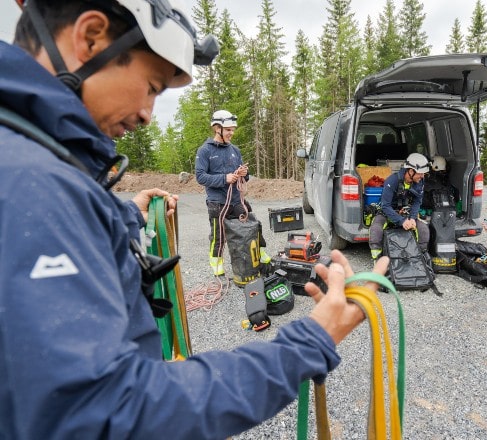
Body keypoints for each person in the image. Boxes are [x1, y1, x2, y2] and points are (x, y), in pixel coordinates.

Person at [0, 1, 390, 439]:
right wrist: (311, 342)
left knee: (247, 236)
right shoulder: (28, 183)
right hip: (213, 201)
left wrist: (120, 220)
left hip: (234, 198)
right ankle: (221, 267)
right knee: (218, 237)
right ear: (90, 37)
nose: (148, 113)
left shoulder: (36, 166)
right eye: (151, 87)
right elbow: (109, 411)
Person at [195, 109, 270, 276]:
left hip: (237, 200)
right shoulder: (205, 151)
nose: (232, 133)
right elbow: (200, 177)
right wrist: (224, 178)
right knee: (218, 235)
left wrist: (244, 174)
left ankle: (260, 254)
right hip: (217, 202)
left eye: (233, 130)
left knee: (253, 225)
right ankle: (217, 264)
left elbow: (245, 176)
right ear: (217, 128)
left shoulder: (235, 150)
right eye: (228, 130)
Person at [369, 152, 431, 260]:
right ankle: (378, 260)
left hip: (405, 211)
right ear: (411, 171)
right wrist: (401, 221)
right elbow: (385, 206)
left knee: (424, 230)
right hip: (387, 212)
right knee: (376, 230)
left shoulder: (420, 181)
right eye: (420, 173)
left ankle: (420, 259)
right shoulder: (392, 181)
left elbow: (417, 201)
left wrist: (412, 217)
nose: (422, 176)